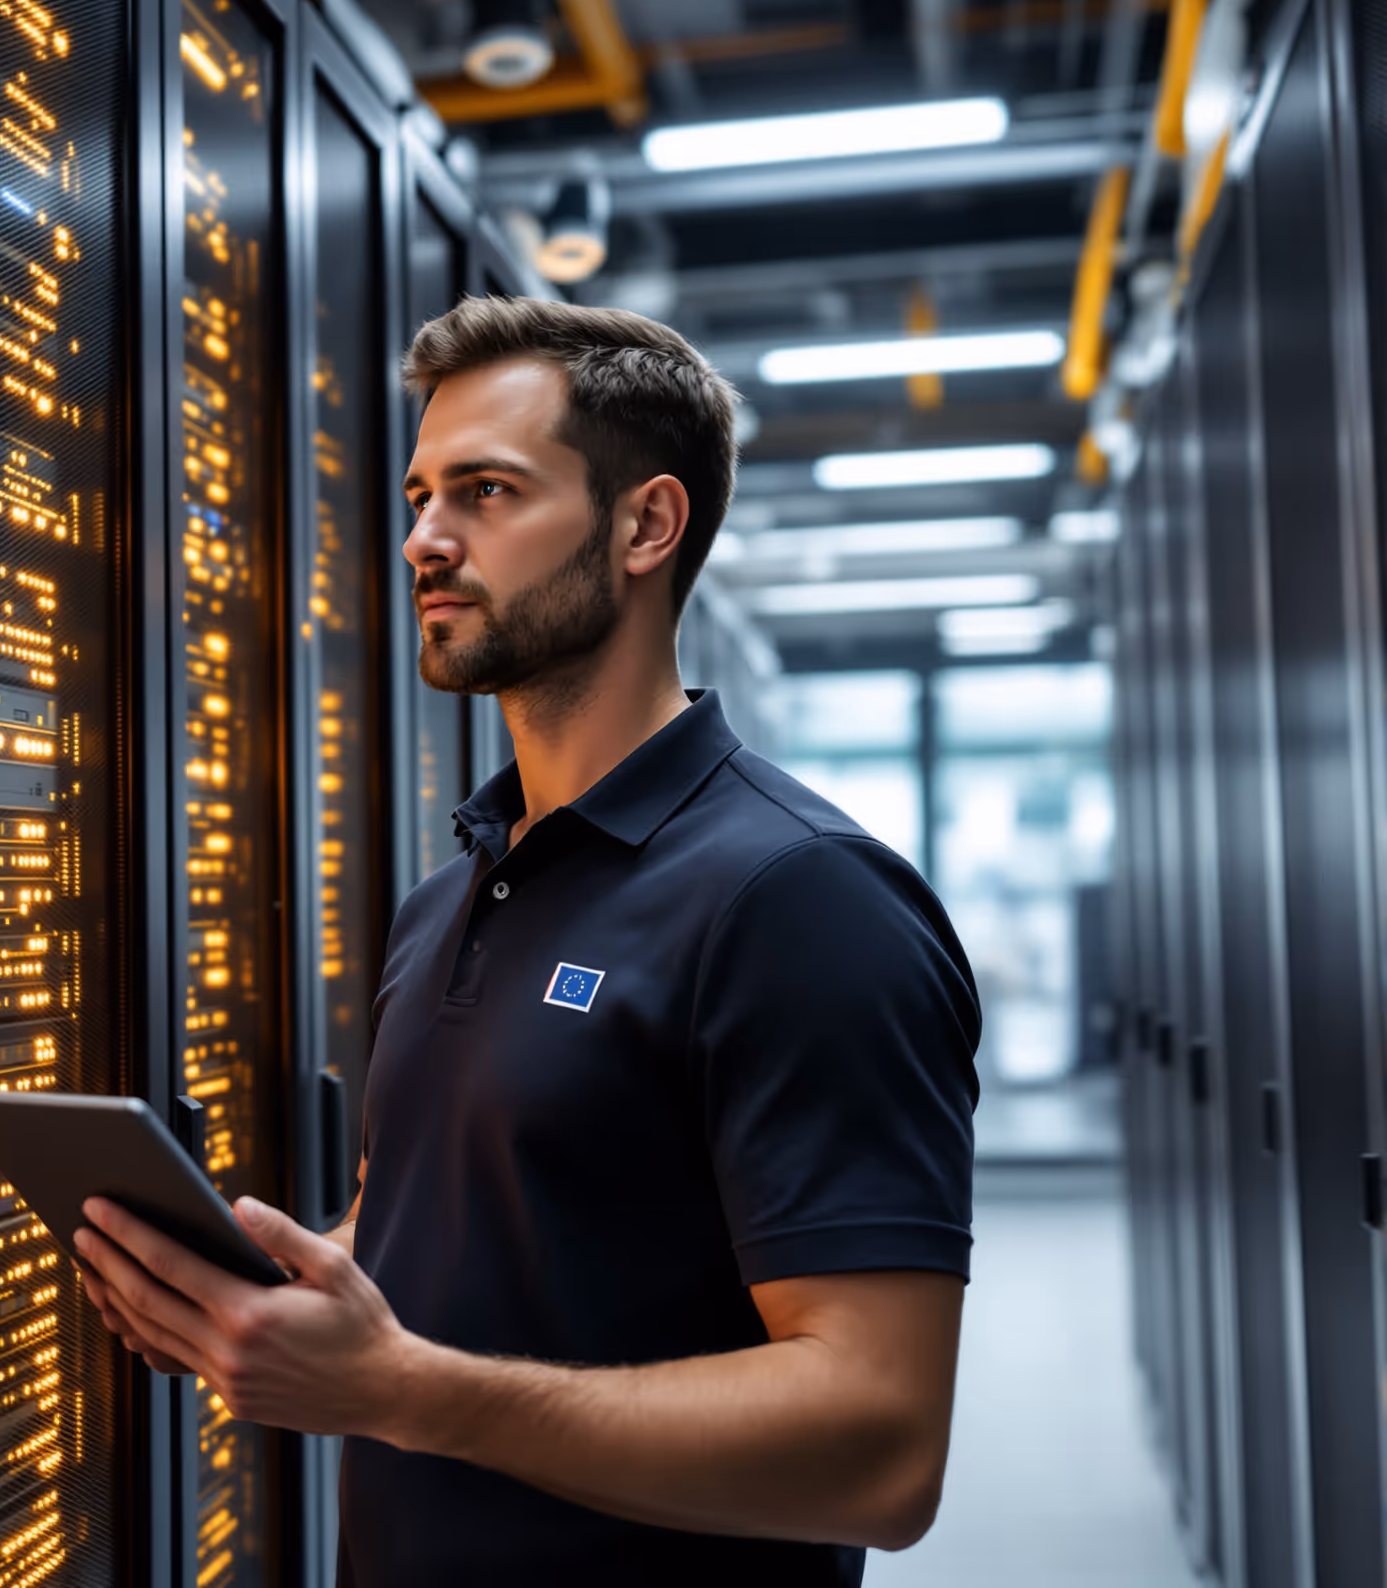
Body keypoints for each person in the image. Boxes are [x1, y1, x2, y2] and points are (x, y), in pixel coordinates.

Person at [74, 296, 981, 1585]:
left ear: (646, 526)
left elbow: (882, 1449)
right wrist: (270, 1296)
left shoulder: (801, 900)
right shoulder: (447, 899)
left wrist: (404, 1392)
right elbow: (432, 1237)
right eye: (419, 493)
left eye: (487, 492)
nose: (423, 541)